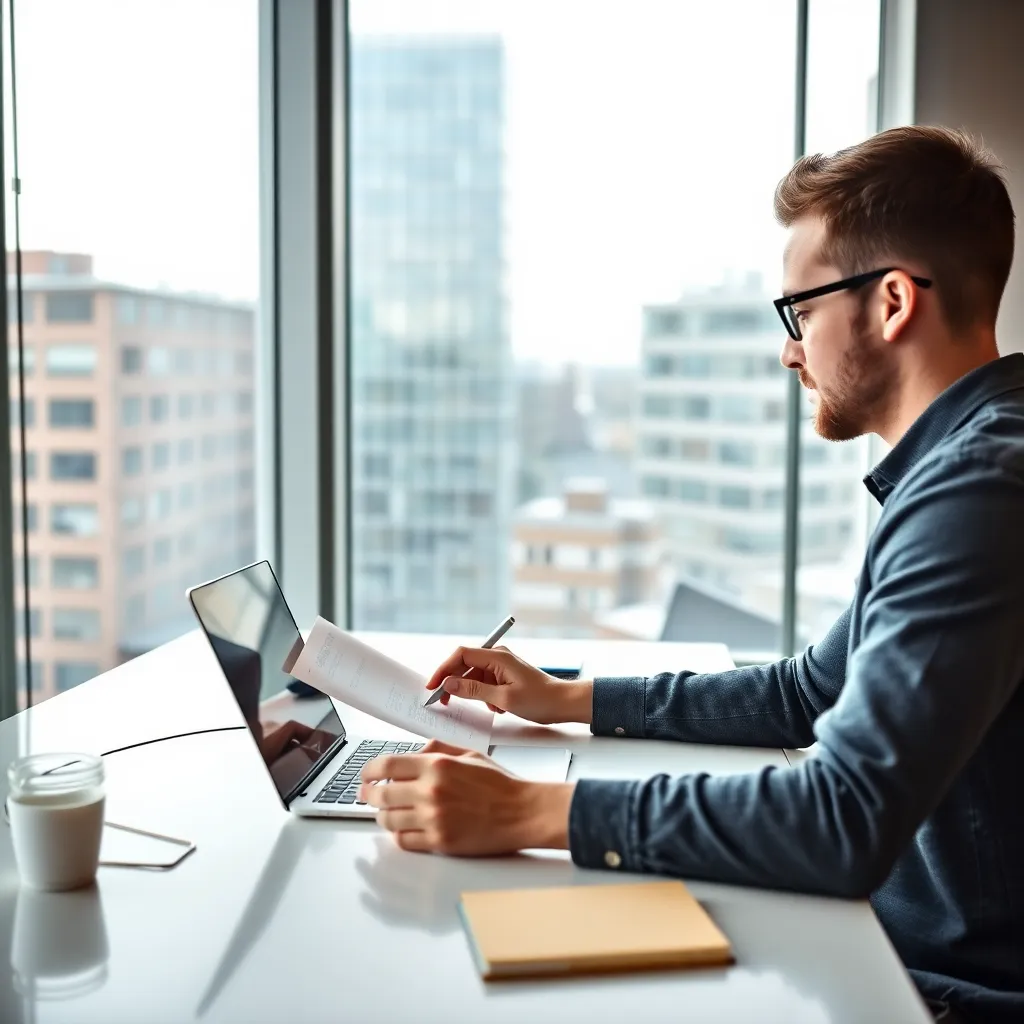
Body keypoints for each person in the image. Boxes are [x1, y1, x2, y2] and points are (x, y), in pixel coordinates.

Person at [359, 125, 1023, 1023]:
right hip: (886, 941)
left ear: (894, 301)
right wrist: (567, 698)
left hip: (947, 991)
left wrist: (524, 816)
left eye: (800, 312)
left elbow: (842, 820)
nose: (790, 351)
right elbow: (808, 694)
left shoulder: (977, 493)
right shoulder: (963, 467)